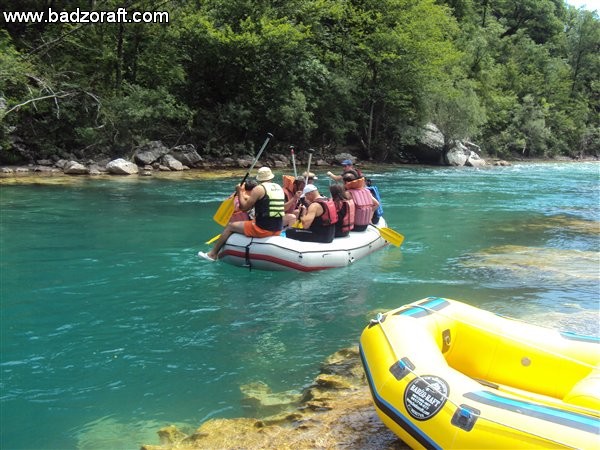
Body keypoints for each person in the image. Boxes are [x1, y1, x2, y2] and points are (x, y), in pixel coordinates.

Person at [199, 167, 285, 261]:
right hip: (278, 229)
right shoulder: (278, 187)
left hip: (262, 229)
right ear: (271, 177)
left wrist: (239, 192)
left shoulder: (259, 189)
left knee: (230, 226)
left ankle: (212, 254)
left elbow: (244, 208)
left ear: (259, 178)